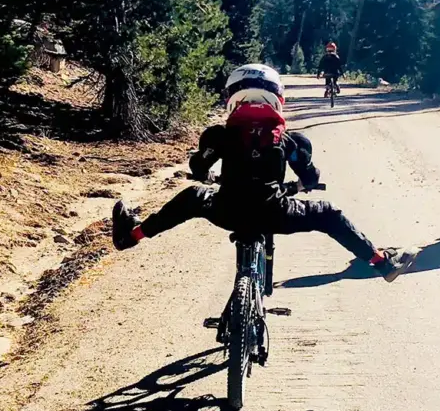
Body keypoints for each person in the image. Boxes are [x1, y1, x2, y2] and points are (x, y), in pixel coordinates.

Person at [111, 64, 418, 280]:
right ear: (277, 97)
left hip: (228, 210)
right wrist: (299, 186)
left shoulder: (218, 135)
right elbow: (310, 177)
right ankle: (381, 263)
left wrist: (206, 176)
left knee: (192, 197)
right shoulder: (290, 140)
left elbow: (197, 167)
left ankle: (133, 234)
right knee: (329, 214)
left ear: (233, 95)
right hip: (277, 212)